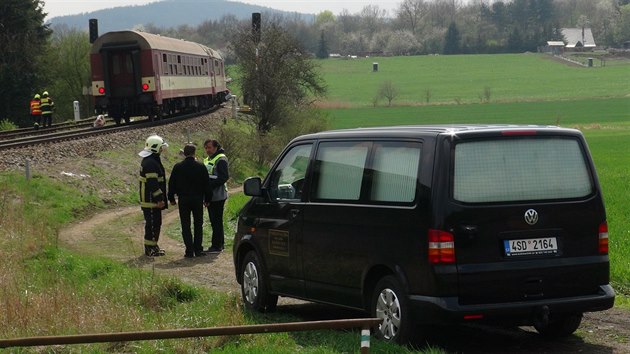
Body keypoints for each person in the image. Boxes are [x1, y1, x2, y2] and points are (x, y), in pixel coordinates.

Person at [168, 143, 210, 258]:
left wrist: (171, 198)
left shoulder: (178, 167)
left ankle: (189, 250)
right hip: (197, 198)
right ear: (194, 153)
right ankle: (198, 249)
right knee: (198, 224)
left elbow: (171, 183)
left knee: (185, 225)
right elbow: (207, 184)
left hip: (184, 199)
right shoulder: (201, 166)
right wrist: (207, 199)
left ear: (184, 153)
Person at [139, 134, 169, 257]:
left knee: (155, 224)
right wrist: (159, 199)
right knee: (152, 224)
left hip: (151, 200)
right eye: (161, 147)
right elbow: (153, 184)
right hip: (151, 200)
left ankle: (153, 246)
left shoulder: (152, 160)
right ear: (155, 148)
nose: (162, 150)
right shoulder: (151, 163)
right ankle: (149, 249)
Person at [203, 139, 229, 253]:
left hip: (218, 195)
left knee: (216, 221)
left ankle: (217, 245)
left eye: (209, 147)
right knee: (214, 221)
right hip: (211, 195)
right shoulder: (209, 159)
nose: (207, 150)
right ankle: (219, 244)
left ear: (216, 147)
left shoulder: (221, 159)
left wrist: (209, 186)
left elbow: (223, 177)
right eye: (206, 148)